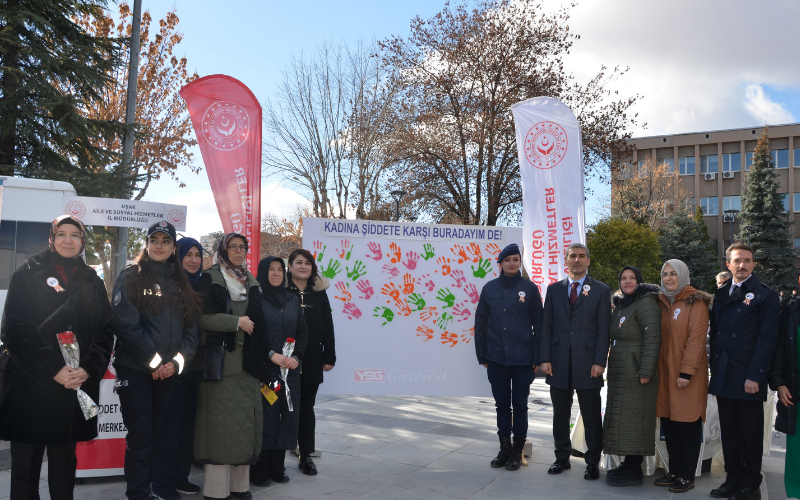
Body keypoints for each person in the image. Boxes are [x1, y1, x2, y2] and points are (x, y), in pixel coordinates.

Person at [0, 215, 114, 500]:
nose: (68, 240)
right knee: (25, 471)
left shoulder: (93, 281)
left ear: (82, 241)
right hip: (32, 388)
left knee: (64, 468)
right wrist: (53, 368)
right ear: (51, 238)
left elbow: (105, 331)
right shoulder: (26, 273)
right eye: (61, 234)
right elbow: (14, 329)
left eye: (74, 235)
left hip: (74, 389)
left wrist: (87, 368)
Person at [112, 221, 202, 500]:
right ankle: (137, 494)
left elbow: (191, 331)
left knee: (156, 436)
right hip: (137, 371)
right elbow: (125, 324)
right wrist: (154, 363)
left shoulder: (181, 283)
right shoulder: (130, 276)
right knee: (141, 438)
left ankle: (147, 491)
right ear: (147, 244)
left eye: (165, 241)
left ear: (174, 247)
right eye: (155, 240)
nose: (159, 245)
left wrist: (175, 363)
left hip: (168, 374)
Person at [193, 233, 271, 500]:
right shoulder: (210, 277)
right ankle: (216, 490)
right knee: (221, 427)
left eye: (243, 247)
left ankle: (240, 486)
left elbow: (259, 323)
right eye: (233, 247)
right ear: (223, 250)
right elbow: (202, 318)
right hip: (222, 366)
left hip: (249, 365)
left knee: (245, 426)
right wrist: (236, 323)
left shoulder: (249, 280)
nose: (238, 251)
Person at [708, 242, 780, 500]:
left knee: (749, 434)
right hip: (725, 373)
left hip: (749, 375)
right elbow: (714, 334)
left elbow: (767, 339)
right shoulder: (720, 293)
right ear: (728, 265)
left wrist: (755, 375)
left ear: (753, 264)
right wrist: (713, 369)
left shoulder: (764, 295)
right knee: (729, 433)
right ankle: (732, 479)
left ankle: (750, 486)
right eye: (737, 260)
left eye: (747, 260)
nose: (742, 265)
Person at [539, 243, 611, 480]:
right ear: (565, 260)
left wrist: (600, 361)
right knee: (560, 414)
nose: (577, 260)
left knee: (591, 415)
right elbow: (546, 327)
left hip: (589, 363)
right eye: (573, 256)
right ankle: (561, 458)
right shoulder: (553, 290)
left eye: (582, 256)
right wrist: (545, 359)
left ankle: (592, 462)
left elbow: (604, 330)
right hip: (558, 362)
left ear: (588, 261)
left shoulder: (601, 290)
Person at [474, 243, 543, 471]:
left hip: (523, 358)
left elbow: (539, 325)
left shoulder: (530, 289)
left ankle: (517, 451)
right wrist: (481, 353)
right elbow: (480, 322)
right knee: (502, 405)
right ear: (500, 264)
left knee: (520, 405)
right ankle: (504, 449)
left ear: (520, 263)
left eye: (515, 259)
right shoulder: (489, 288)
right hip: (495, 357)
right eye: (507, 260)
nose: (512, 263)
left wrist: (537, 355)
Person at [150, 237, 205, 499]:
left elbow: (191, 333)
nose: (193, 260)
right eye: (188, 254)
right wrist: (166, 364)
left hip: (192, 371)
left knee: (185, 430)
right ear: (177, 255)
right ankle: (161, 482)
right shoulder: (164, 285)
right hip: (165, 371)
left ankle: (180, 477)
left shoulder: (198, 285)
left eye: (198, 255)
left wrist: (181, 361)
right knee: (167, 430)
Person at [655, 259, 711, 493]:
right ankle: (675, 471)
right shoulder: (661, 301)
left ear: (683, 275)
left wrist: (686, 372)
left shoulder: (695, 302)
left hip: (686, 375)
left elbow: (696, 340)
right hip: (664, 375)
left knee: (687, 426)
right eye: (665, 274)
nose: (668, 278)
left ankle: (687, 475)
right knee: (670, 426)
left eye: (673, 274)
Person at [251, 257, 308, 485]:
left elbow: (302, 332)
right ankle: (260, 471)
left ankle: (278, 468)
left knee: (287, 416)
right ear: (263, 273)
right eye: (271, 270)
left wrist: (296, 357)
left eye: (279, 270)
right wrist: (270, 354)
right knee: (268, 415)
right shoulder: (256, 298)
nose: (276, 274)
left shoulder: (292, 299)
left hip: (290, 372)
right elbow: (253, 333)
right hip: (267, 371)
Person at [603, 266, 661, 487]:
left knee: (636, 418)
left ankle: (634, 468)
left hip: (637, 372)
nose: (627, 282)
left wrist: (646, 371)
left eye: (632, 278)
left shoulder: (646, 303)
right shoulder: (621, 305)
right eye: (623, 278)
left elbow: (652, 338)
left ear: (639, 281)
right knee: (623, 418)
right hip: (621, 369)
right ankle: (627, 464)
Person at [285, 249, 335, 475]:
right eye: (298, 262)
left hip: (313, 359)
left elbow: (328, 325)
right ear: (290, 266)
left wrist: (329, 355)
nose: (303, 266)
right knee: (282, 409)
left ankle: (306, 456)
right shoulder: (281, 290)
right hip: (285, 360)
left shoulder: (319, 292)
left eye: (308, 263)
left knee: (306, 409)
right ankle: (275, 460)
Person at [769, 286, 800, 499]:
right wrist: (779, 383)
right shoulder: (791, 310)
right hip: (794, 392)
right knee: (797, 447)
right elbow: (779, 349)